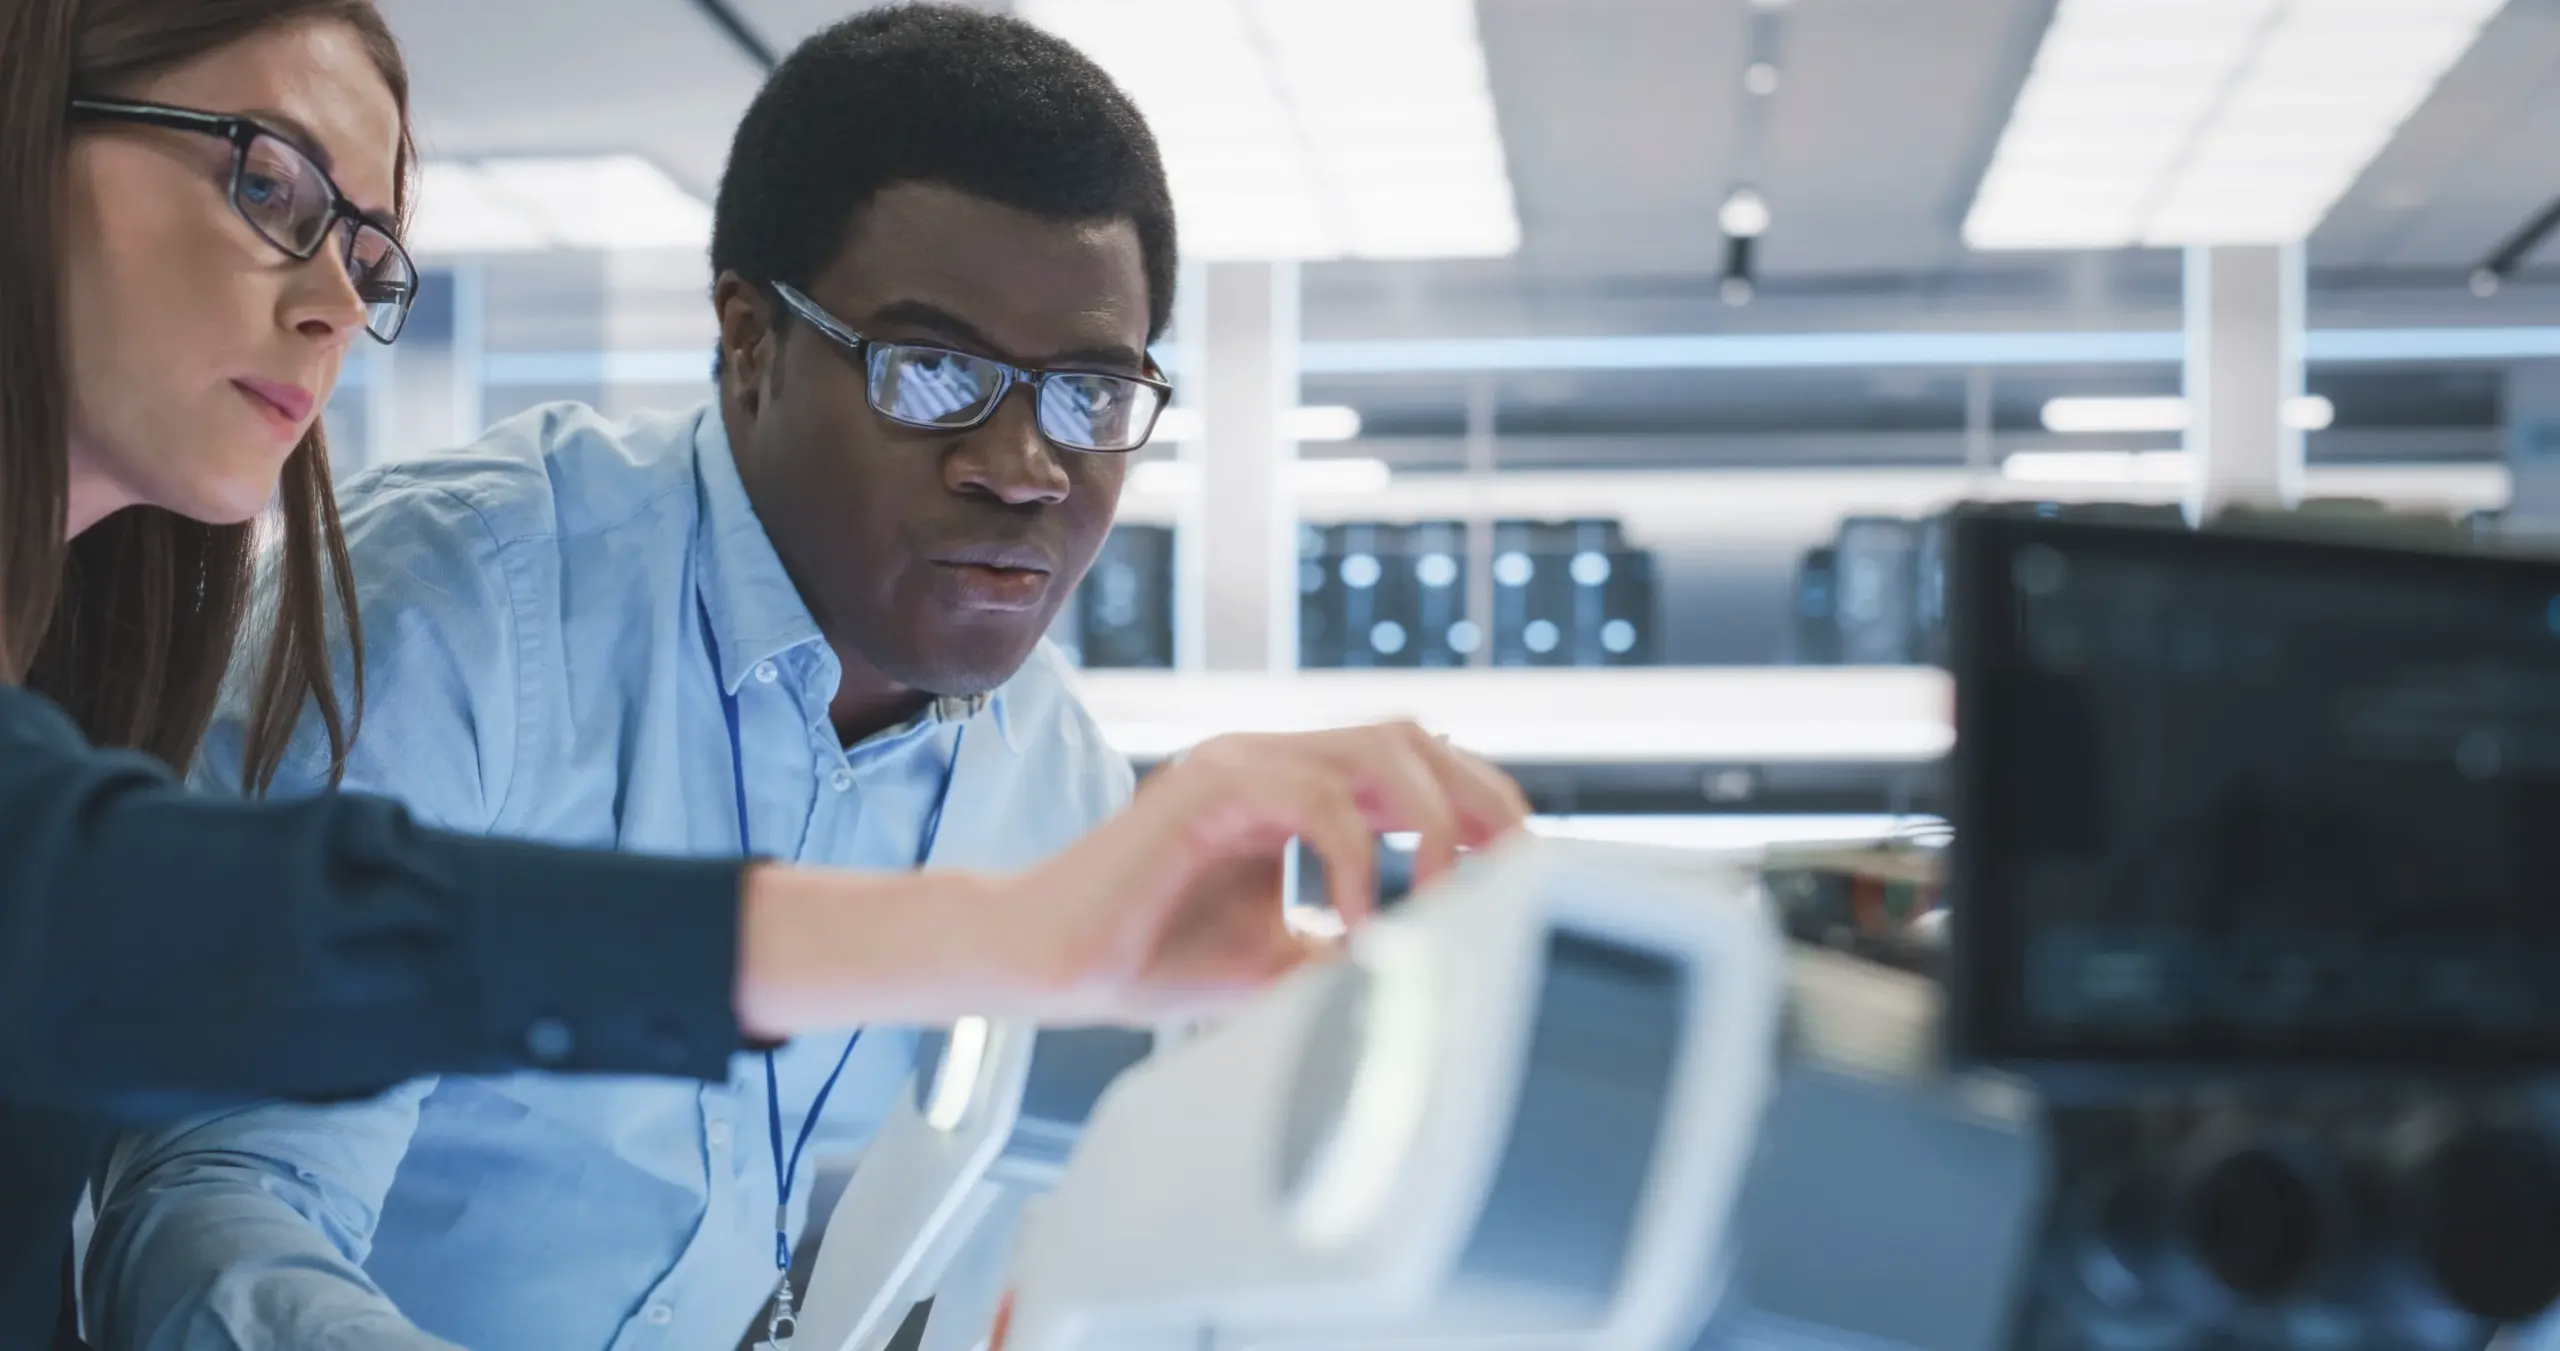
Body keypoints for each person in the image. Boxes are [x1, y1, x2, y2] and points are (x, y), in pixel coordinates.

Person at [1, 0, 1527, 1343]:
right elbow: (221, 1132)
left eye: (1089, 391)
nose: (1022, 465)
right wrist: (1006, 932)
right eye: (934, 369)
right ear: (748, 340)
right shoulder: (465, 601)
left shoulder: (1050, 771)